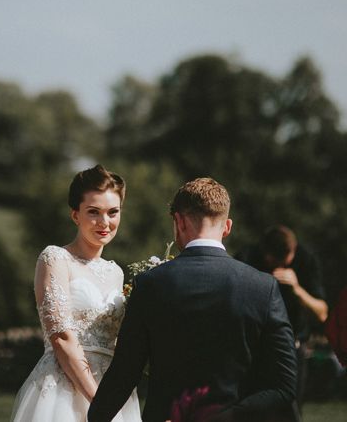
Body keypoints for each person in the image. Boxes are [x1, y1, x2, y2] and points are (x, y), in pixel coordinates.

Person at [88, 177, 299, 422]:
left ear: (178, 221)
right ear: (227, 226)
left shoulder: (150, 284)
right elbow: (284, 386)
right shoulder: (263, 287)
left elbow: (123, 375)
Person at [10, 164, 141, 422]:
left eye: (113, 212)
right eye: (94, 212)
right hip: (64, 391)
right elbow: (61, 338)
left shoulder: (116, 273)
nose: (105, 222)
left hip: (112, 390)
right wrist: (101, 404)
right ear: (75, 215)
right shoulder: (55, 259)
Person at [236, 225, 328, 409]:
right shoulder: (247, 257)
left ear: (293, 252)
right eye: (274, 261)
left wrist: (297, 289)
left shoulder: (305, 259)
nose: (280, 266)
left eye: (285, 261)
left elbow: (322, 312)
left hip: (292, 350)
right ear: (266, 253)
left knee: (290, 411)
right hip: (254, 351)